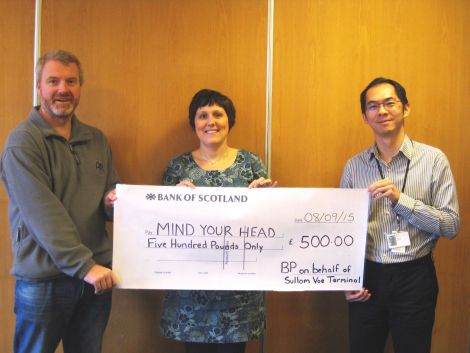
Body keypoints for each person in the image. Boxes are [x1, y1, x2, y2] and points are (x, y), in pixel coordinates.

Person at [0, 50, 119, 353]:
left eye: (71, 81)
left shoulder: (96, 139)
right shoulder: (22, 142)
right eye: (53, 81)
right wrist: (84, 266)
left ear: (80, 88)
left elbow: (107, 201)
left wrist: (114, 204)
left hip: (95, 280)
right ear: (39, 88)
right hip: (45, 282)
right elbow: (43, 214)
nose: (63, 89)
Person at [340, 77, 460, 353]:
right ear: (365, 116)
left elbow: (451, 225)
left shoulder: (434, 160)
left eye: (389, 103)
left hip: (415, 276)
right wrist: (345, 280)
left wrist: (401, 200)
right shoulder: (354, 166)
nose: (381, 111)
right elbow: (342, 233)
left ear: (406, 108)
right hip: (367, 278)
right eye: (373, 106)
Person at [160, 89, 277, 353]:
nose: (210, 121)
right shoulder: (177, 167)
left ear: (229, 120)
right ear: (194, 124)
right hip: (191, 290)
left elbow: (268, 225)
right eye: (202, 115)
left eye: (217, 114)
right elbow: (161, 226)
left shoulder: (250, 163)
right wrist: (171, 201)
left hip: (238, 292)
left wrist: (266, 199)